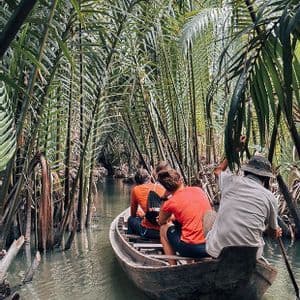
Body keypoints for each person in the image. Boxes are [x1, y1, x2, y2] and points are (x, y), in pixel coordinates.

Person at [206, 143, 282, 259]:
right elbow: (272, 233)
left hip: (218, 251)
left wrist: (235, 150)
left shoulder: (230, 181)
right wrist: (276, 232)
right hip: (249, 256)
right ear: (266, 178)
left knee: (210, 217)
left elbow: (217, 170)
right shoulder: (270, 197)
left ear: (246, 172)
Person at [157, 169, 213, 265]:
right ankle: (189, 263)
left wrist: (164, 198)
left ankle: (172, 266)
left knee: (163, 229)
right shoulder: (198, 190)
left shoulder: (170, 202)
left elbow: (161, 221)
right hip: (211, 246)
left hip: (191, 249)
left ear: (166, 188)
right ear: (181, 180)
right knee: (186, 228)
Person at [127, 168, 165, 239]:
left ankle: (132, 241)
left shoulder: (136, 189)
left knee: (130, 219)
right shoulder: (161, 188)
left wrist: (142, 215)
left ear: (136, 182)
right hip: (164, 231)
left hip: (148, 231)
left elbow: (133, 214)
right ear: (150, 178)